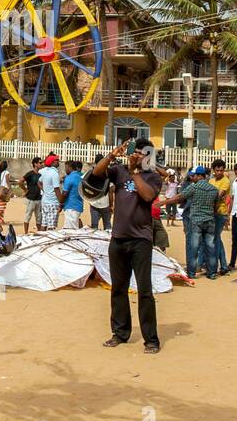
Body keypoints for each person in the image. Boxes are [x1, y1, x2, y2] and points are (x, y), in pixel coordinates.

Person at [87, 138, 162, 353]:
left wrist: (135, 171)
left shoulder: (153, 177)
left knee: (144, 290)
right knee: (118, 288)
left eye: (141, 153)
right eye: (134, 151)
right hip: (118, 238)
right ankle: (120, 333)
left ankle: (151, 339)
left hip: (141, 240)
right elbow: (96, 174)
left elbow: (147, 196)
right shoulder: (118, 171)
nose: (136, 155)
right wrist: (111, 155)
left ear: (148, 156)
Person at [208, 159, 232, 274]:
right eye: (217, 170)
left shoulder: (226, 181)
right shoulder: (211, 181)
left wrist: (210, 198)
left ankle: (220, 265)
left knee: (215, 238)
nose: (219, 172)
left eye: (221, 170)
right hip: (212, 212)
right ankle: (223, 265)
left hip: (221, 213)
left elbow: (218, 195)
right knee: (217, 239)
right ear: (213, 170)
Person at [87, 154, 114, 231]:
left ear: (95, 162)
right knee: (107, 226)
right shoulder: (108, 174)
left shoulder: (91, 173)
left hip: (94, 204)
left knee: (94, 227)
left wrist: (90, 199)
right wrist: (111, 205)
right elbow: (111, 192)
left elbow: (85, 186)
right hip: (105, 205)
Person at [38, 155, 61, 231]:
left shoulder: (44, 171)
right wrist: (61, 202)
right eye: (57, 160)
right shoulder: (54, 173)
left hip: (44, 202)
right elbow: (56, 189)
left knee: (44, 224)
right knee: (51, 226)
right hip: (53, 203)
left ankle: (40, 240)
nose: (58, 162)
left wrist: (44, 190)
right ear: (52, 162)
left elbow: (39, 182)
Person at [60, 160, 84, 228]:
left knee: (71, 231)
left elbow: (64, 193)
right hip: (78, 205)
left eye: (65, 168)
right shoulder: (80, 176)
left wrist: (60, 203)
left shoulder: (69, 178)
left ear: (69, 168)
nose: (65, 170)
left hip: (71, 207)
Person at [21, 157, 42, 234]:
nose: (41, 164)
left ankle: (40, 233)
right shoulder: (30, 174)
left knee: (39, 218)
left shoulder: (41, 174)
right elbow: (21, 181)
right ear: (35, 164)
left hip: (39, 198)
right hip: (31, 199)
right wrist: (26, 190)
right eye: (40, 163)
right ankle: (26, 233)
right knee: (28, 216)